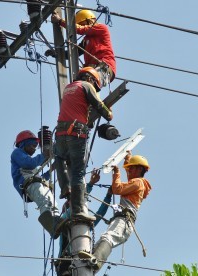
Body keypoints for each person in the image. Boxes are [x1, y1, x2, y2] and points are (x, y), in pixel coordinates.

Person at [54, 66, 113, 222]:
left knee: (59, 158)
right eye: (95, 84)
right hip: (76, 134)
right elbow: (99, 105)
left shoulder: (68, 88)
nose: (94, 87)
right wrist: (109, 114)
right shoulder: (87, 86)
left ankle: (65, 187)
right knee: (79, 173)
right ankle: (79, 210)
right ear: (90, 78)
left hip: (60, 134)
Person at [78, 151, 151, 272]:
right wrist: (128, 159)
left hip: (125, 220)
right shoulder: (136, 181)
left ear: (139, 169)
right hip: (122, 220)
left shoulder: (138, 182)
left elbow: (117, 189)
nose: (129, 170)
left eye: (131, 168)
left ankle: (95, 261)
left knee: (108, 238)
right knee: (103, 240)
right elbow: (129, 177)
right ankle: (91, 268)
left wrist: (116, 173)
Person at [54, 169, 113, 276]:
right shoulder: (65, 219)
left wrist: (108, 196)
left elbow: (99, 214)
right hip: (65, 262)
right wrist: (90, 184)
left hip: (75, 262)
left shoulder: (83, 225)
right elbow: (78, 200)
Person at [10, 130, 63, 239]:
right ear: (24, 143)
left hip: (35, 182)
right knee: (44, 201)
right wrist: (45, 155)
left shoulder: (31, 165)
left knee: (52, 202)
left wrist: (51, 169)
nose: (35, 149)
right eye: (33, 145)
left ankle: (57, 221)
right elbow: (29, 163)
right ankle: (51, 226)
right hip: (28, 184)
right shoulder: (17, 153)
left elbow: (39, 177)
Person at [50, 9, 116, 87]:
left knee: (87, 83)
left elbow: (79, 29)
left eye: (82, 24)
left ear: (89, 20)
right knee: (77, 86)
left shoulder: (101, 28)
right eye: (80, 24)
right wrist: (56, 53)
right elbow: (73, 53)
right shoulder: (86, 40)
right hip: (91, 70)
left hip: (104, 66)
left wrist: (60, 21)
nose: (82, 26)